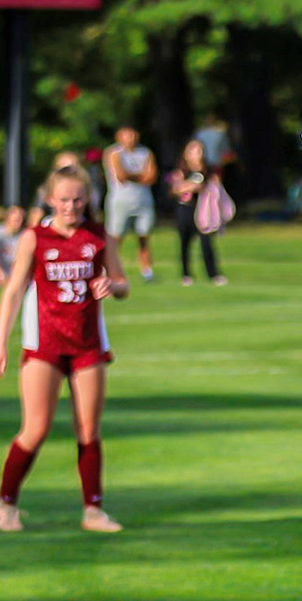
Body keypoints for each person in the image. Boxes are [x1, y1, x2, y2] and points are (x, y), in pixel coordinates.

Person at [0, 165, 131, 533]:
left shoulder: (99, 235)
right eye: (63, 200)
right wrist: (2, 342)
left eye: (77, 199)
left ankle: (93, 511)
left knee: (88, 430)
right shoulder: (35, 238)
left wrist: (112, 286)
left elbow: (123, 284)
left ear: (87, 198)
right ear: (49, 199)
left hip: (88, 345)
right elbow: (12, 292)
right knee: (35, 429)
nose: (70, 207)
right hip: (45, 344)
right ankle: (5, 504)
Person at [165, 141, 225, 286]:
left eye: (198, 151)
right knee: (184, 242)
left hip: (203, 210)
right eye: (192, 151)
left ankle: (213, 273)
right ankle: (186, 274)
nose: (195, 155)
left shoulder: (208, 170)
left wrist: (199, 187)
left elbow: (213, 187)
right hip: (185, 209)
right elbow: (173, 189)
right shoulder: (181, 171)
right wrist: (187, 186)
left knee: (206, 242)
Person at [104, 126, 158, 283]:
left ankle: (147, 271)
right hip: (120, 202)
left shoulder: (146, 153)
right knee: (116, 237)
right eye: (126, 134)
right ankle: (110, 269)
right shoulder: (114, 152)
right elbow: (121, 175)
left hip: (143, 201)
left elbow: (151, 176)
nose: (130, 138)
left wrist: (134, 176)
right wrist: (141, 175)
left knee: (144, 236)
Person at [0, 205, 25, 280]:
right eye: (15, 220)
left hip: (15, 274)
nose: (18, 222)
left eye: (20, 219)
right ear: (8, 219)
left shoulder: (24, 235)